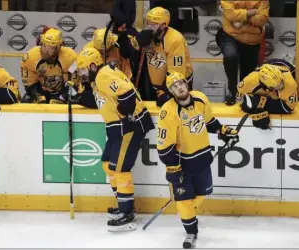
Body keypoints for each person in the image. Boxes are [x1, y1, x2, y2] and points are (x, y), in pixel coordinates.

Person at [157, 71, 240, 248]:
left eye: (180, 83)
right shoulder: (168, 112)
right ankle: (191, 231)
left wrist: (223, 131)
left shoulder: (201, 99)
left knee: (202, 194)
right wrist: (173, 168)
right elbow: (164, 147)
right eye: (174, 86)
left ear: (186, 83)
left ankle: (188, 214)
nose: (178, 87)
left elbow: (209, 122)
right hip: (182, 164)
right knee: (184, 201)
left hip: (202, 159)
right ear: (171, 92)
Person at [75, 47, 155, 232]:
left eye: (83, 69)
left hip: (127, 126)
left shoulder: (103, 75)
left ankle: (127, 214)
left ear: (93, 65)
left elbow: (127, 94)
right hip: (116, 127)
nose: (81, 73)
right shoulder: (100, 77)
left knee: (120, 169)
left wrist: (124, 114)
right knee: (107, 165)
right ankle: (122, 203)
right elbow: (105, 99)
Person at [120, 6, 193, 107]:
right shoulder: (148, 35)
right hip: (156, 83)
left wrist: (165, 92)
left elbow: (176, 72)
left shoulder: (175, 39)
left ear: (163, 25)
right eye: (148, 23)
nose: (149, 27)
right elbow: (125, 52)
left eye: (153, 24)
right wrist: (137, 42)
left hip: (177, 84)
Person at [216, 0, 269, 106]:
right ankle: (232, 91)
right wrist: (253, 12)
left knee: (247, 74)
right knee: (230, 55)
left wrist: (241, 18)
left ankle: (243, 94)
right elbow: (231, 15)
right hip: (229, 35)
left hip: (252, 40)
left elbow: (262, 19)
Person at [20, 28, 77, 104]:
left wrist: (61, 99)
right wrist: (40, 98)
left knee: (75, 101)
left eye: (50, 47)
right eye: (44, 45)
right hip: (41, 91)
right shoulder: (31, 56)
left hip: (62, 93)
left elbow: (73, 84)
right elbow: (30, 84)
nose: (45, 51)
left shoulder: (71, 57)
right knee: (26, 101)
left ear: (58, 47)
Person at [237, 59, 297, 130]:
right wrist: (256, 108)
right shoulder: (249, 82)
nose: (282, 85)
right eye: (277, 85)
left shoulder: (289, 82)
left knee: (287, 108)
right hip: (263, 74)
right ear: (267, 85)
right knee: (248, 104)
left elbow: (289, 107)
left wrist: (259, 104)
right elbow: (239, 98)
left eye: (281, 81)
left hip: (283, 65)